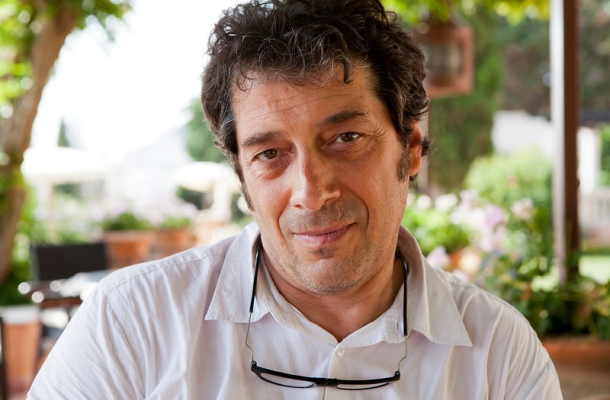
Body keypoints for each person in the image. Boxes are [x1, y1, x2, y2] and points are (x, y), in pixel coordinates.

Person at [28, 0, 562, 398]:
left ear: (411, 151)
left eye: (346, 138)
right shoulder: (130, 324)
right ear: (243, 177)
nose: (311, 191)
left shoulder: (497, 352)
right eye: (270, 154)